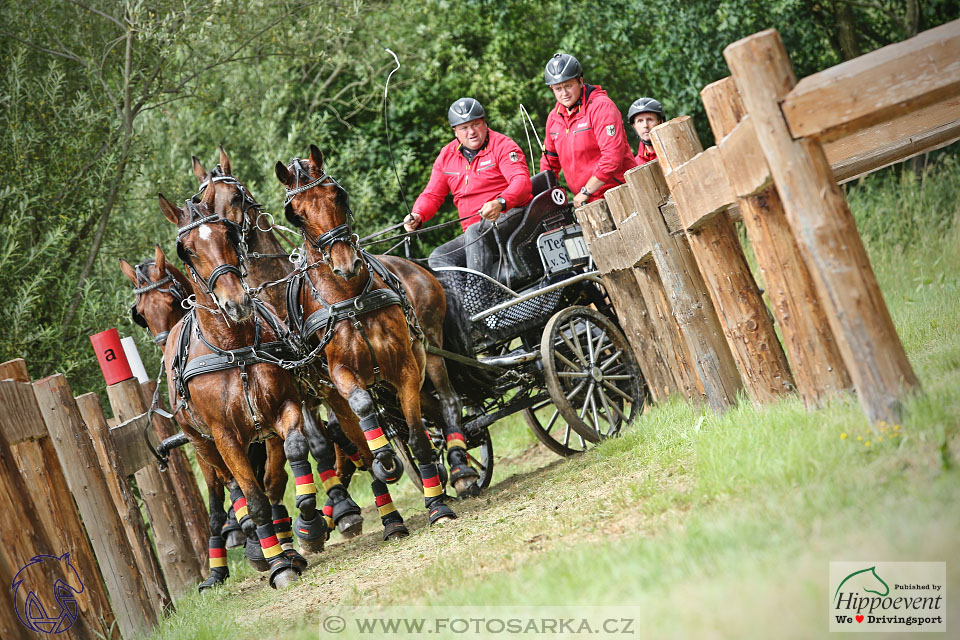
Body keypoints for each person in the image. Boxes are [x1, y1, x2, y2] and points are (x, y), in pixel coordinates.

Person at [403, 98, 532, 280]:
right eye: (464, 128)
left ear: (484, 122)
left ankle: (479, 299)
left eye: (475, 124)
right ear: (455, 131)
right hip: (475, 231)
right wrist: (417, 214)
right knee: (438, 258)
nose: (471, 132)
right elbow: (432, 194)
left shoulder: (503, 146)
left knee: (474, 232)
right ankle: (462, 302)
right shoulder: (446, 156)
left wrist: (500, 202)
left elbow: (522, 182)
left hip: (511, 218)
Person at [539, 53, 637, 208]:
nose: (564, 93)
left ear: (580, 81)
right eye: (558, 88)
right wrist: (545, 197)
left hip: (620, 193)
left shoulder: (601, 107)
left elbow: (612, 158)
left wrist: (586, 191)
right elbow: (549, 163)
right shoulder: (553, 118)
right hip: (587, 202)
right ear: (552, 88)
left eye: (568, 86)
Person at [626, 97, 666, 165]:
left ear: (661, 122)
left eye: (650, 119)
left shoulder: (674, 151)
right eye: (640, 121)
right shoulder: (635, 165)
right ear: (634, 126)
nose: (645, 125)